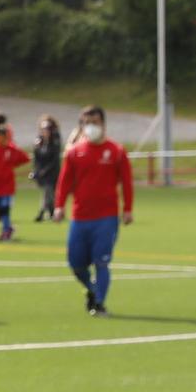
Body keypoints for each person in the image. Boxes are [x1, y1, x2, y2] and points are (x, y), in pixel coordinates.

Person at [54, 104, 134, 317]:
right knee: (76, 263)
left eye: (95, 123)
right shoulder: (74, 152)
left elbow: (126, 182)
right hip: (80, 217)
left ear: (103, 124)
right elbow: (64, 182)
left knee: (101, 261)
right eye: (87, 123)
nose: (91, 127)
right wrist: (59, 206)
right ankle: (91, 290)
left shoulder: (116, 151)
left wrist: (127, 209)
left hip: (106, 217)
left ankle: (99, 303)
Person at [0, 114, 30, 241]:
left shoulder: (11, 149)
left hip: (7, 184)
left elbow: (25, 158)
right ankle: (8, 227)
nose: (2, 139)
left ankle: (6, 230)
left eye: (4, 136)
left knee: (5, 207)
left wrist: (15, 166)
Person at [31, 116, 62, 223]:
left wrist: (45, 170)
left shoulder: (55, 141)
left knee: (48, 192)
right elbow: (36, 158)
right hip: (42, 172)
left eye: (48, 129)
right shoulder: (39, 141)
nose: (45, 131)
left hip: (51, 172)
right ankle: (50, 211)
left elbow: (55, 159)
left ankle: (45, 212)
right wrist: (36, 171)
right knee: (47, 193)